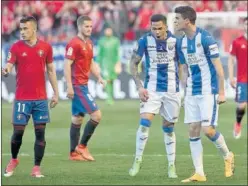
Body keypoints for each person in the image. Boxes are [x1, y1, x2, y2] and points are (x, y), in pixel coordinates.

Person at [174, 6, 234, 182]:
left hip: (208, 91)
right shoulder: (181, 42)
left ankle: (227, 155)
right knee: (193, 129)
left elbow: (218, 67)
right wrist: (185, 93)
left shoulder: (206, 39)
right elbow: (184, 69)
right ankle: (199, 172)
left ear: (187, 20)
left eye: (177, 18)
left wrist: (221, 92)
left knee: (208, 130)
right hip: (192, 91)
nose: (175, 21)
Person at [2, 16, 59, 178]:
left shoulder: (46, 47)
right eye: (20, 29)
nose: (22, 32)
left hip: (40, 99)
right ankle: (13, 159)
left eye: (25, 28)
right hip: (22, 98)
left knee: (40, 134)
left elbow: (51, 70)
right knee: (17, 133)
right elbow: (9, 65)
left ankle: (36, 167)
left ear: (34, 29)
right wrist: (5, 70)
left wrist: (56, 93)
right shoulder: (15, 47)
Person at [128, 14, 181, 178]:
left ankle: (171, 166)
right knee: (144, 122)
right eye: (153, 28)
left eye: (159, 28)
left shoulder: (176, 42)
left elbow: (184, 66)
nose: (156, 32)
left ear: (166, 27)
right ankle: (137, 160)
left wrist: (186, 88)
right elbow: (133, 63)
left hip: (172, 90)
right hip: (152, 89)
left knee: (168, 128)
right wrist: (139, 87)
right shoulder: (144, 41)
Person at [64, 15, 105, 161]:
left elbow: (91, 62)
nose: (89, 29)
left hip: (83, 85)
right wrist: (69, 86)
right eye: (86, 26)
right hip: (77, 86)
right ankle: (82, 146)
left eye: (91, 26)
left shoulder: (89, 43)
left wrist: (99, 76)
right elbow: (67, 64)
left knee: (77, 118)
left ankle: (73, 154)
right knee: (96, 115)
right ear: (80, 27)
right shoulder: (73, 44)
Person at [228, 16, 247, 139]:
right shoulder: (237, 42)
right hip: (243, 79)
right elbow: (231, 59)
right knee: (242, 105)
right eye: (246, 24)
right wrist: (230, 77)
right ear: (244, 26)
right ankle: (238, 123)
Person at [96, 26, 121, 105]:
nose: (108, 31)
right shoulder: (101, 41)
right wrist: (97, 63)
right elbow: (99, 54)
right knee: (107, 80)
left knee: (112, 80)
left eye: (109, 30)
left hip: (113, 63)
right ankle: (109, 98)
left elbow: (118, 53)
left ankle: (111, 96)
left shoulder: (115, 41)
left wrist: (118, 63)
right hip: (105, 64)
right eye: (107, 30)